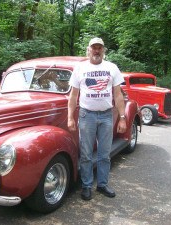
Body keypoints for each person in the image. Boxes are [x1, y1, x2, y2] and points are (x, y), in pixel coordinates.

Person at [67, 37, 127, 200]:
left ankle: (102, 184)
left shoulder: (112, 68)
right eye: (94, 47)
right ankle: (86, 186)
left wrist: (122, 117)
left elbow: (118, 95)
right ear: (89, 50)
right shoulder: (80, 68)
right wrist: (70, 117)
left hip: (107, 115)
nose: (97, 50)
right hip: (87, 115)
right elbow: (73, 95)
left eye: (99, 48)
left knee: (104, 154)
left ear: (103, 50)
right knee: (86, 154)